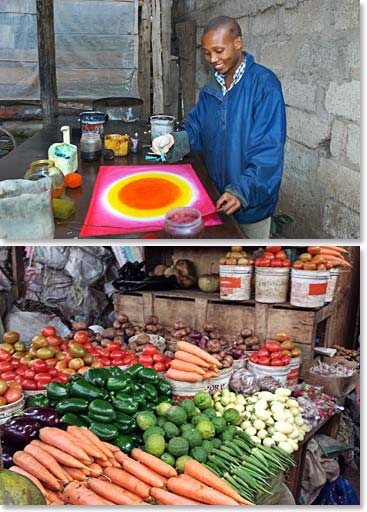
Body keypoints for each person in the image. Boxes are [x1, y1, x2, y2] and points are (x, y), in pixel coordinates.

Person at [152, 16, 286, 239]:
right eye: (207, 53)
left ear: (238, 43)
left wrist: (241, 192)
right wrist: (175, 140)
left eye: (219, 50)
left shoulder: (264, 86)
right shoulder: (212, 86)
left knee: (246, 251)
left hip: (249, 204)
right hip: (215, 196)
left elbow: (268, 151)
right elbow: (197, 128)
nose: (212, 59)